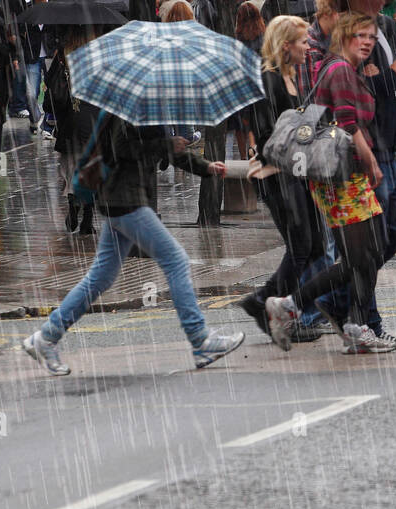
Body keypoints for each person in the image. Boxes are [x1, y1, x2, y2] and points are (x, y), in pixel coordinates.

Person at [22, 110, 244, 375]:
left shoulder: (145, 105)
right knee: (176, 261)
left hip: (121, 199)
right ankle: (201, 341)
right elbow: (121, 149)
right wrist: (166, 145)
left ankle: (45, 338)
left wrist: (205, 167)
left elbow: (165, 150)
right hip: (125, 200)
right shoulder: (129, 109)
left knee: (100, 278)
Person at [264, 11, 395, 355]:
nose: (367, 42)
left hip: (344, 172)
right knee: (363, 255)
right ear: (344, 37)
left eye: (371, 36)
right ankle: (341, 320)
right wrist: (371, 162)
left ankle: (323, 313)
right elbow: (348, 123)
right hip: (340, 175)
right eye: (360, 36)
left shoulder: (345, 69)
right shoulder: (338, 70)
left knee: (365, 254)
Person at [311, 0, 396, 348]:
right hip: (365, 156)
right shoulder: (353, 35)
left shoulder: (383, 27)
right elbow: (352, 105)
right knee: (366, 246)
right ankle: (363, 321)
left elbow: (377, 92)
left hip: (388, 146)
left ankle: (335, 301)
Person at [238, 16, 327, 345]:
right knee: (303, 246)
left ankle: (267, 302)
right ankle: (274, 307)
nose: (308, 47)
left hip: (296, 172)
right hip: (278, 176)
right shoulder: (269, 80)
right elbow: (266, 136)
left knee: (315, 245)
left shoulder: (290, 77)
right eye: (303, 42)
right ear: (285, 44)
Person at [46, 28, 101, 236]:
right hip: (92, 120)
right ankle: (87, 219)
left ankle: (72, 205)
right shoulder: (98, 54)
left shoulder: (63, 54)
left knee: (70, 169)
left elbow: (51, 90)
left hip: (70, 121)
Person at [16, 0, 55, 130]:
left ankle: (49, 126)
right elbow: (19, 30)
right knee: (31, 93)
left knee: (52, 91)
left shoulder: (54, 8)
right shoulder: (27, 8)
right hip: (32, 55)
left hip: (51, 54)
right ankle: (35, 119)